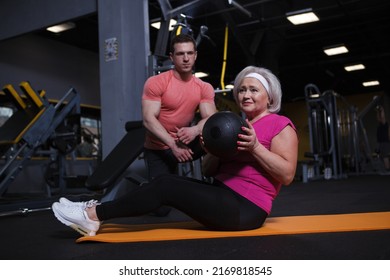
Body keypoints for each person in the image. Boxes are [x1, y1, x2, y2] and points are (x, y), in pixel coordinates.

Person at [52, 65, 299, 237]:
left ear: (269, 97)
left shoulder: (280, 125)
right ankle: (92, 213)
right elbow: (209, 170)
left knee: (165, 187)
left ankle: (92, 214)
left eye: (253, 90)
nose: (245, 94)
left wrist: (255, 147)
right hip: (224, 195)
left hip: (247, 208)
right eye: (242, 89)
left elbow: (287, 175)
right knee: (165, 180)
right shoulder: (237, 125)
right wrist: (212, 149)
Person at [142, 34, 217, 180]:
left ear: (195, 55)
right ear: (172, 57)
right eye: (180, 54)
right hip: (159, 148)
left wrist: (195, 130)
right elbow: (148, 119)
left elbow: (210, 118)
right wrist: (173, 145)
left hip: (185, 142)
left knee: (218, 135)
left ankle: (221, 188)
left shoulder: (204, 87)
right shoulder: (156, 82)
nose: (186, 58)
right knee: (161, 191)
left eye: (190, 53)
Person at [376, 105, 390, 171]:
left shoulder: (385, 124)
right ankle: (386, 168)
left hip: (385, 142)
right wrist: (377, 111)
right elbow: (379, 117)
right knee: (382, 156)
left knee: (385, 156)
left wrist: (382, 109)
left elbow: (382, 116)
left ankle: (387, 169)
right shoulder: (380, 124)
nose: (380, 118)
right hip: (380, 142)